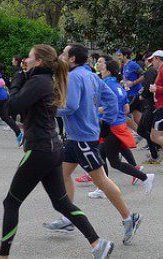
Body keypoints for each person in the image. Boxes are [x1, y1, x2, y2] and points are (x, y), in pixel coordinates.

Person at [0, 44, 113, 259]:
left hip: (40, 150)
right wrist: (23, 78)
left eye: (28, 58)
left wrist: (17, 79)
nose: (25, 61)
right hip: (52, 149)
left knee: (11, 203)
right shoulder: (43, 79)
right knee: (61, 204)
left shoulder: (38, 82)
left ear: (38, 61)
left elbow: (13, 107)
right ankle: (98, 244)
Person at [42, 44, 142, 246]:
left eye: (63, 53)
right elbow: (111, 99)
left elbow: (70, 106)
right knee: (64, 174)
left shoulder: (76, 77)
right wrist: (107, 121)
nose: (60, 55)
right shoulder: (91, 75)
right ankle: (67, 218)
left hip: (82, 139)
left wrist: (49, 108)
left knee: (101, 181)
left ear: (71, 59)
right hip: (77, 137)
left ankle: (129, 217)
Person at [93, 59, 155, 195]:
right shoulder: (118, 86)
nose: (100, 72)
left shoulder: (106, 84)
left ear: (108, 72)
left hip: (111, 126)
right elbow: (126, 109)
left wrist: (95, 110)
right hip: (118, 125)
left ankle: (144, 177)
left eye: (102, 69)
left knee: (114, 162)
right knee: (99, 156)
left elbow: (111, 105)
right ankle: (102, 188)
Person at [118, 48, 144, 125]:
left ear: (125, 55)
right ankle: (145, 133)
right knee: (137, 118)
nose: (118, 57)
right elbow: (126, 78)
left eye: (119, 55)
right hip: (128, 93)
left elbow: (144, 75)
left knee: (122, 113)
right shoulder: (124, 65)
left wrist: (133, 83)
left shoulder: (132, 64)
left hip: (134, 94)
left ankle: (137, 132)